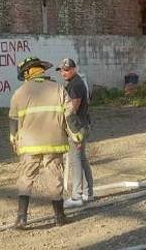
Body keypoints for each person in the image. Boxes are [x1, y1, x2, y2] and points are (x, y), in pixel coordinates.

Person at [8, 56, 75, 228]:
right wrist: (76, 135)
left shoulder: (20, 92)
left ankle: (21, 218)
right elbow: (70, 116)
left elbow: (13, 119)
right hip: (54, 143)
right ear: (41, 70)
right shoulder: (58, 89)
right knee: (55, 179)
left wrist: (13, 137)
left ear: (26, 74)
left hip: (29, 145)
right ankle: (59, 217)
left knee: (26, 179)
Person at [57, 57, 94, 208]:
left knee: (75, 160)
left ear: (74, 69)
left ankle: (77, 196)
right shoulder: (75, 82)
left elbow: (72, 110)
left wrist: (64, 123)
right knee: (82, 159)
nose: (63, 73)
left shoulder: (75, 85)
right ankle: (88, 192)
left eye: (66, 70)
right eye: (61, 70)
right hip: (82, 125)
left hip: (77, 128)